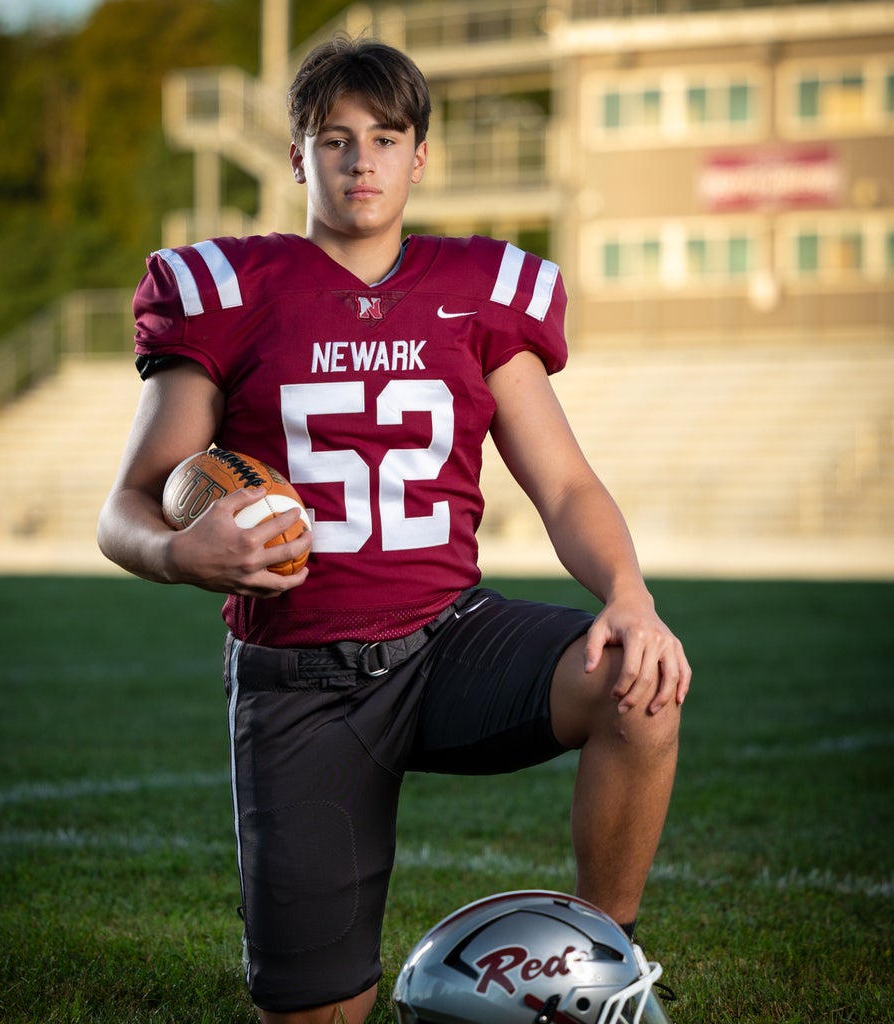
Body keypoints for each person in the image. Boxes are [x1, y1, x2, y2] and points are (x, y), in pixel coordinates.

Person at [97, 35, 691, 1024]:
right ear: (297, 157)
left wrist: (629, 596)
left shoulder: (477, 291)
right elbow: (126, 506)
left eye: (384, 137)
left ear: (421, 156)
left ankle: (596, 958)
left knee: (638, 679)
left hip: (445, 637)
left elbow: (566, 487)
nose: (360, 160)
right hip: (299, 679)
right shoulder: (228, 291)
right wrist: (177, 550)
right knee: (322, 1014)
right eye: (334, 139)